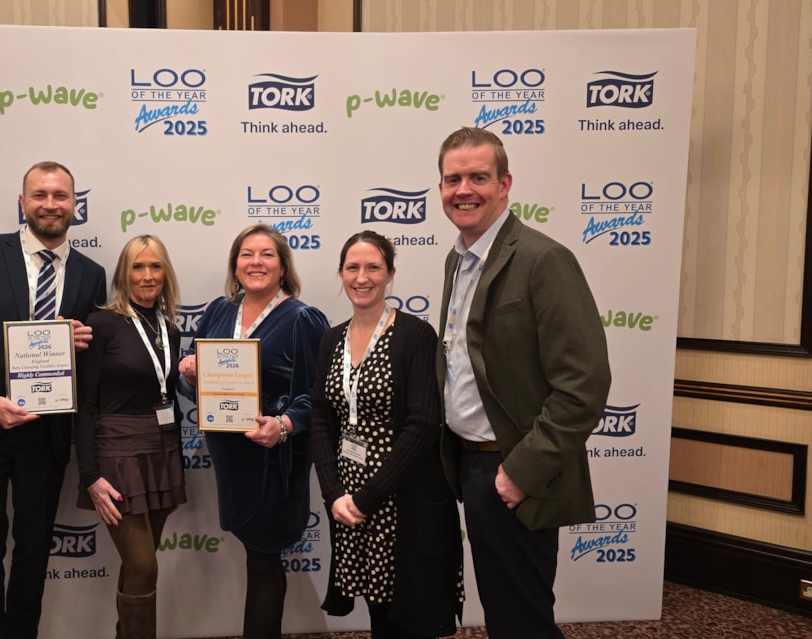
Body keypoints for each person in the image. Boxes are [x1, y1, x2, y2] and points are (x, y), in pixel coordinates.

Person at [435, 127, 611, 639]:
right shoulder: (457, 259)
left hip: (512, 470)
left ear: (505, 182)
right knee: (504, 612)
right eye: (452, 179)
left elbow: (584, 383)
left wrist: (520, 473)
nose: (463, 189)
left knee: (522, 620)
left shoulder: (543, 259)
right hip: (469, 464)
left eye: (478, 177)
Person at [0, 161, 107, 639]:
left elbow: (87, 363)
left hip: (45, 433)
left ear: (75, 204)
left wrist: (81, 341)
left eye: (60, 196)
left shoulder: (91, 274)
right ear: (22, 202)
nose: (50, 204)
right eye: (39, 195)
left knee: (33, 550)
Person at [177, 224, 329, 639]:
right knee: (254, 554)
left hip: (274, 459)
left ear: (282, 267)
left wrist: (283, 425)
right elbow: (192, 387)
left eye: (266, 255)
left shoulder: (302, 318)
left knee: (264, 559)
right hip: (232, 460)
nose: (255, 262)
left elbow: (320, 398)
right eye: (246, 254)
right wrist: (189, 375)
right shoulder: (218, 311)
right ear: (235, 264)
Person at [311, 231, 463, 639]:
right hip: (349, 500)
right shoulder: (331, 340)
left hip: (402, 498)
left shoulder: (415, 335)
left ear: (390, 273)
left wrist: (367, 497)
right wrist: (334, 495)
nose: (362, 277)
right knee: (379, 608)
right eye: (353, 267)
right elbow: (322, 420)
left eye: (373, 267)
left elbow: (425, 424)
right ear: (341, 274)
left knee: (411, 614)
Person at [75, 235, 186, 639]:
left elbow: (165, 393)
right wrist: (90, 475)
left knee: (138, 565)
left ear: (165, 272)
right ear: (124, 273)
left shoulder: (169, 329)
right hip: (117, 456)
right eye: (138, 267)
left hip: (161, 452)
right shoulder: (101, 323)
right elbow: (85, 405)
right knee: (143, 566)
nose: (147, 275)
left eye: (155, 266)